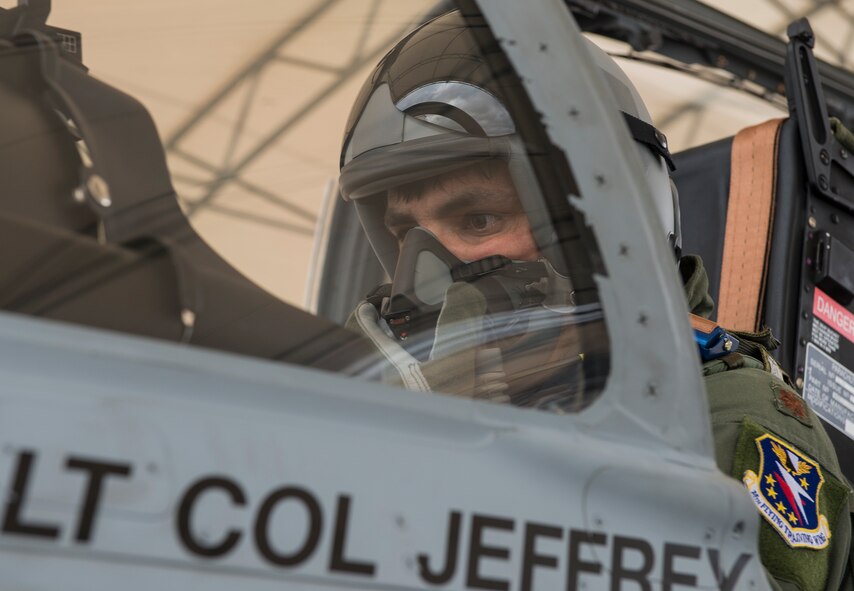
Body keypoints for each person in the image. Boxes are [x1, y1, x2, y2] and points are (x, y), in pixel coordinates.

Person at [338, 9, 852, 590]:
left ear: (605, 226)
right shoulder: (451, 405)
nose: (425, 274)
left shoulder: (723, 417)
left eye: (478, 219)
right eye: (407, 234)